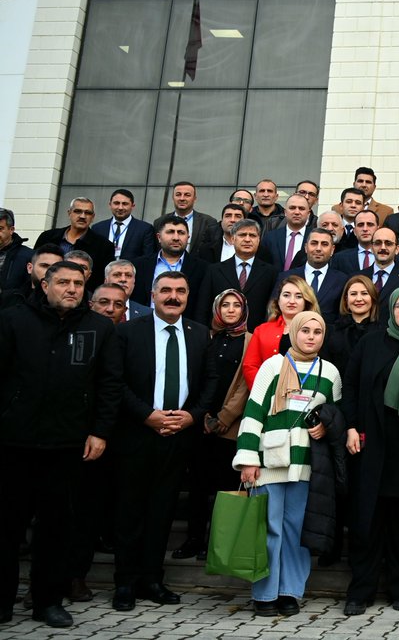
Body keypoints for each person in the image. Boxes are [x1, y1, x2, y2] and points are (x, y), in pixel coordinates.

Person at [0, 261, 122, 629]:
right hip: (13, 443)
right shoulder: (12, 320)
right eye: (63, 282)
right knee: (5, 526)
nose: (71, 288)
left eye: (78, 283)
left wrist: (100, 431)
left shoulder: (99, 327)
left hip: (68, 446)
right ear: (44, 283)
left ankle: (47, 601)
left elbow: (109, 384)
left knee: (57, 530)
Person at [111, 272, 214, 612]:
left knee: (162, 512)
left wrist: (192, 415)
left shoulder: (199, 333)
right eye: (166, 290)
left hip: (179, 437)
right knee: (130, 511)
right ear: (152, 295)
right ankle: (125, 582)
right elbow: (116, 382)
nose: (173, 297)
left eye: (180, 291)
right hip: (138, 434)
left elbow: (210, 382)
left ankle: (152, 578)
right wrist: (147, 415)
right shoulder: (128, 332)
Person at [235, 311, 342, 617]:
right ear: (293, 332)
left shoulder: (330, 372)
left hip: (307, 465)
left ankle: (289, 592)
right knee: (269, 529)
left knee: (297, 532)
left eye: (317, 331)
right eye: (305, 330)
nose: (311, 336)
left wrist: (326, 425)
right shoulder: (273, 366)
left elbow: (334, 414)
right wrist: (247, 459)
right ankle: (264, 592)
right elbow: (253, 413)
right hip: (269, 462)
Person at [340, 288, 399, 614]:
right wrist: (351, 426)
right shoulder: (371, 343)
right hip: (372, 443)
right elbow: (350, 385)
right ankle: (360, 590)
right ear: (391, 309)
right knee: (367, 518)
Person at [173, 290, 251, 561]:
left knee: (224, 487)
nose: (231, 310)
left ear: (244, 310)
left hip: (229, 427)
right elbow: (196, 377)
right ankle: (194, 539)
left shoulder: (250, 341)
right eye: (225, 304)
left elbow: (245, 385)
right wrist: (201, 415)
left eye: (236, 305)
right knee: (197, 485)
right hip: (199, 423)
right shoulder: (205, 337)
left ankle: (217, 544)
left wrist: (223, 418)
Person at [198, 219, 277, 330]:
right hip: (219, 336)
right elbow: (203, 307)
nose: (247, 239)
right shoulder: (214, 270)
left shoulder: (271, 272)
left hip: (255, 337)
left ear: (259, 240)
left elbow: (272, 310)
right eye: (242, 235)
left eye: (252, 235)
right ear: (233, 239)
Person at [242, 276, 320, 386]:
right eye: (286, 295)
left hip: (304, 393)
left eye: (298, 296)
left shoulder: (317, 330)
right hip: (266, 394)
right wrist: (266, 391)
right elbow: (250, 366)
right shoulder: (262, 330)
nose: (291, 301)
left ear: (306, 301)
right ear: (278, 300)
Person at [34, 197, 114, 291]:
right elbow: (35, 266)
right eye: (78, 211)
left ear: (93, 217)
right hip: (43, 293)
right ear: (69, 213)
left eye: (88, 213)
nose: (82, 216)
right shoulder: (47, 237)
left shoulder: (104, 246)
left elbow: (101, 280)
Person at [322, 275, 380, 374]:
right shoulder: (332, 331)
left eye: (364, 293)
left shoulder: (382, 332)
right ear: (346, 300)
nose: (358, 299)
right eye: (353, 294)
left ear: (373, 298)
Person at [91, 189, 155, 262]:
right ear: (110, 205)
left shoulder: (145, 229)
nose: (120, 207)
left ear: (132, 206)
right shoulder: (98, 228)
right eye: (116, 203)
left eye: (125, 204)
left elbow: (148, 258)